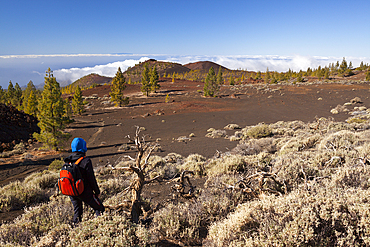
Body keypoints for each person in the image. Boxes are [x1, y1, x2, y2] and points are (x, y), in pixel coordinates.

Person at [64, 137, 105, 224]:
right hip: (84, 191)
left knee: (77, 211)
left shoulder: (68, 161)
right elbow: (91, 179)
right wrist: (96, 191)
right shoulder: (86, 161)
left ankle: (76, 228)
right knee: (99, 208)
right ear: (83, 147)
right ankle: (100, 226)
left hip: (72, 192)